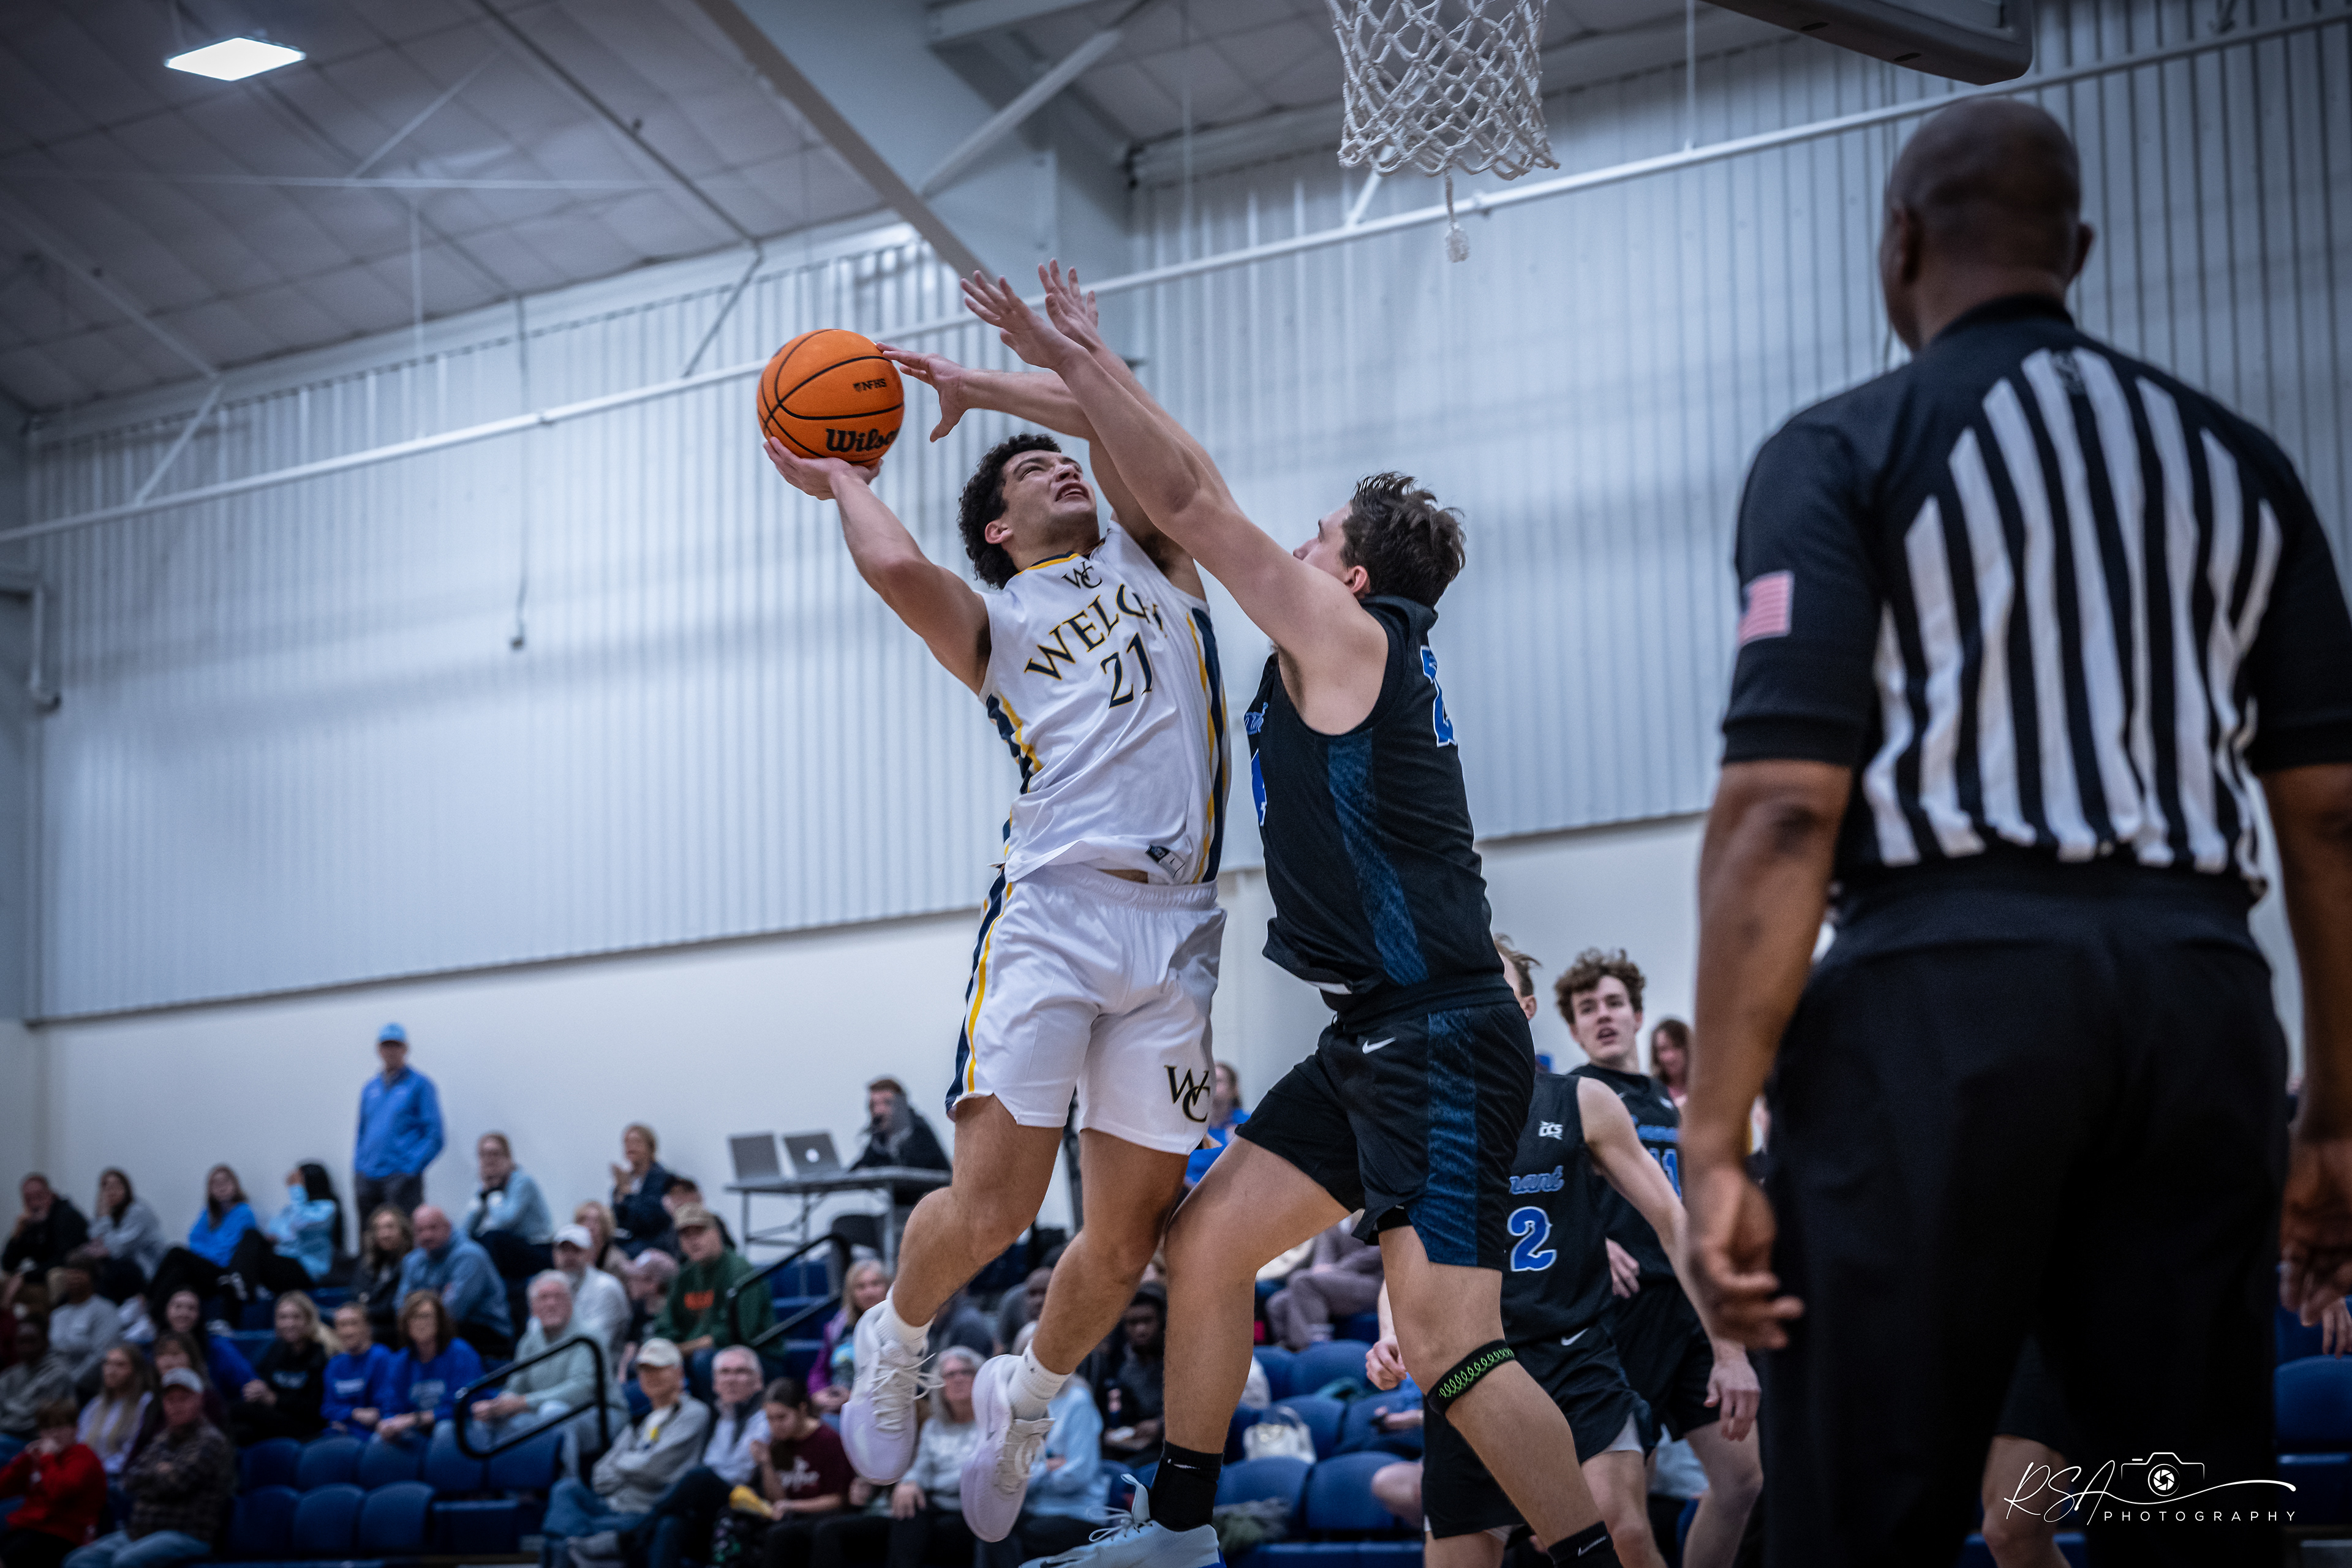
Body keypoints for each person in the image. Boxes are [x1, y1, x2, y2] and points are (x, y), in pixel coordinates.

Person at [1679, 100, 2352, 1568]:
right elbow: (2329, 815)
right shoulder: (2235, 461)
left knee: (1864, 1514)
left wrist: (1715, 1137)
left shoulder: (1844, 446)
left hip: (1941, 995)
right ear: (2078, 251)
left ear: (1900, 240)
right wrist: (2339, 1113)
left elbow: (1782, 805)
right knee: (2188, 1506)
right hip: (2195, 996)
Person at [961, 264, 1619, 1567]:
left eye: (1316, 538)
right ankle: (1178, 1532)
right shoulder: (1346, 652)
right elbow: (1180, 475)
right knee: (1205, 1243)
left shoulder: (1354, 637)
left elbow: (1190, 500)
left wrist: (1075, 355)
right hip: (1372, 1033)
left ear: (1353, 574)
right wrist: (1044, 372)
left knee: (1450, 1345)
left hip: (1439, 1035)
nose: (1296, 550)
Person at [769, 305, 1230, 1551]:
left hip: (1180, 931)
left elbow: (1118, 421)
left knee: (1125, 1240)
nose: (1063, 467)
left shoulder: (1159, 555)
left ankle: (1025, 1399)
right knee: (992, 1209)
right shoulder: (995, 622)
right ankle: (897, 1337)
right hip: (1053, 917)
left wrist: (988, 386)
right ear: (997, 529)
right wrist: (844, 477)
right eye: (1035, 471)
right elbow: (896, 571)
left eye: (1064, 460)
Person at [1370, 944, 1762, 1568]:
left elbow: (1674, 1221)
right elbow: (1403, 1260)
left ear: (1525, 1009)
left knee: (1621, 1525)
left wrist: (1730, 1349)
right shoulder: (1416, 1124)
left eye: (1492, 984)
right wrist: (1390, 1332)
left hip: (1574, 1356)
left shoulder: (1582, 1100)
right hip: (1468, 1367)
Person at [1557, 952, 1762, 1565]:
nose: (1603, 1016)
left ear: (1638, 1015)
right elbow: (1542, 1197)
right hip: (1622, 1315)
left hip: (1689, 1306)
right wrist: (1593, 1241)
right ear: (1574, 1029)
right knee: (1626, 1511)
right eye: (1588, 1008)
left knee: (1744, 1482)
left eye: (1614, 1003)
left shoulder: (1670, 1105)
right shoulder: (1573, 1098)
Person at [805, 1346, 983, 1568]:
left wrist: (926, 1484)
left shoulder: (991, 1424)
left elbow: (980, 1473)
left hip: (973, 1510)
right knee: (908, 1507)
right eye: (950, 1374)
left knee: (917, 1514)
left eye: (966, 1372)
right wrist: (909, 1483)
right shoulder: (934, 1426)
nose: (958, 1379)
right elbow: (920, 1468)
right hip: (929, 1506)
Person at [538, 1339, 709, 1568]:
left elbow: (654, 1469)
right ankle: (582, 1544)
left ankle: (578, 1547)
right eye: (645, 1370)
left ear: (679, 1373)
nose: (650, 1376)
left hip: (645, 1512)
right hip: (610, 1507)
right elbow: (599, 1476)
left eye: (659, 1368)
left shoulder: (694, 1413)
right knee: (566, 1489)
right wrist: (635, 1466)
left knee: (556, 1542)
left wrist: (622, 1465)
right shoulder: (640, 1421)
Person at [593, 1348, 769, 1568]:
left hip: (749, 1504)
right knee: (670, 1525)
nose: (731, 1379)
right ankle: (632, 1538)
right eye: (724, 1373)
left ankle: (631, 1535)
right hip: (710, 1511)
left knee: (699, 1477)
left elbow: (745, 1473)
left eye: (741, 1372)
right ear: (715, 1384)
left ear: (759, 1381)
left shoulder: (768, 1418)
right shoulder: (714, 1416)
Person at [63, 1366, 233, 1568]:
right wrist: (161, 1471)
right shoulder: (162, 1439)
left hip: (186, 1534)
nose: (176, 1405)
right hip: (141, 1532)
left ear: (199, 1400)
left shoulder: (211, 1441)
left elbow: (177, 1483)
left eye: (183, 1399)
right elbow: (130, 1480)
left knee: (125, 1562)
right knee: (78, 1560)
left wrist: (154, 1476)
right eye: (170, 1400)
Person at [473, 1273, 625, 1450]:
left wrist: (523, 1403)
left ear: (571, 1302)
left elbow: (581, 1390)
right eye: (543, 1298)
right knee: (494, 1419)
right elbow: (516, 1387)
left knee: (553, 1412)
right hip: (543, 1411)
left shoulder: (589, 1337)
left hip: (600, 1414)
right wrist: (496, 1406)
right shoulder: (528, 1342)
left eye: (558, 1296)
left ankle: (566, 1469)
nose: (551, 1304)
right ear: (533, 1308)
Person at [997, 1322, 1106, 1564]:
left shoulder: (1077, 1400)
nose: (1038, 1365)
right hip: (1033, 1507)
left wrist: (1030, 1474)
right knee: (991, 1528)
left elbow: (1076, 1476)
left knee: (1010, 1535)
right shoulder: (1018, 1404)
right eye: (1030, 1357)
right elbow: (1008, 1475)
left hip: (1078, 1512)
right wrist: (1046, 1467)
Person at [753, 1376, 854, 1568]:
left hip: (824, 1519)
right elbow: (776, 1501)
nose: (776, 1425)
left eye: (782, 1417)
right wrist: (766, 1464)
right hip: (791, 1518)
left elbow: (838, 1500)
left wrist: (792, 1506)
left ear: (802, 1409)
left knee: (780, 1536)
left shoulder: (828, 1440)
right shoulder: (777, 1443)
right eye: (770, 1419)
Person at [650, 1208, 772, 1362]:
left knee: (703, 1360)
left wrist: (682, 1350)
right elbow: (665, 1326)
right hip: (692, 1353)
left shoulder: (740, 1270)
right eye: (686, 1235)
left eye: (699, 1232)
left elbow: (736, 1334)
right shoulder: (683, 1277)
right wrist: (663, 1347)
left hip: (754, 1356)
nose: (693, 1240)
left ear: (716, 1233)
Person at [396, 1205, 514, 1359]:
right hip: (441, 1329)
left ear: (448, 1227)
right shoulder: (411, 1261)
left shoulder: (470, 1256)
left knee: (430, 1332)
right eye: (420, 1230)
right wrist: (440, 1298)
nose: (427, 1235)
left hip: (485, 1330)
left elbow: (454, 1311)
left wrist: (421, 1304)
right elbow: (400, 1307)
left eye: (433, 1228)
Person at [0, 1401, 106, 1568]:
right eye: (47, 1429)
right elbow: (3, 1487)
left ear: (75, 1429)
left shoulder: (84, 1458)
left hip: (64, 1533)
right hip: (30, 1526)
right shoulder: (39, 1457)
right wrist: (23, 1460)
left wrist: (47, 1459)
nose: (54, 1434)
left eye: (60, 1427)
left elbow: (60, 1491)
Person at [355, 1023, 444, 1221]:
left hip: (401, 1177)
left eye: (396, 1045)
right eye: (386, 1045)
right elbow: (362, 1132)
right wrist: (359, 1168)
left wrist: (410, 1168)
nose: (391, 1051)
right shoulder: (370, 1088)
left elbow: (434, 1135)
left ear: (405, 1049)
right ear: (379, 1049)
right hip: (368, 1177)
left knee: (403, 1232)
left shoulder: (420, 1085)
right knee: (371, 1234)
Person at [375, 1291, 486, 1444]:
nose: (420, 1323)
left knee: (444, 1431)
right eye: (414, 1317)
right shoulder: (399, 1361)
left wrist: (416, 1419)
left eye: (426, 1316)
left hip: (460, 1427)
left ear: (440, 1321)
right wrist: (388, 1424)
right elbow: (391, 1406)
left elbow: (463, 1405)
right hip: (416, 1432)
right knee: (379, 1441)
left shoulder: (461, 1352)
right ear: (406, 1324)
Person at [142, 1167, 253, 1318]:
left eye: (225, 1182)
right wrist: (205, 1252)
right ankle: (152, 1317)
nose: (221, 1187)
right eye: (215, 1183)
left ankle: (144, 1299)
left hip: (225, 1273)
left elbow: (226, 1250)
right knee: (178, 1272)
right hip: (205, 1269)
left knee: (176, 1252)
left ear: (235, 1185)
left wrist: (204, 1251)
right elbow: (194, 1239)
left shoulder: (244, 1212)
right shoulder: (209, 1213)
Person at [221, 1165, 342, 1303]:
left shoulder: (327, 1208)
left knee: (256, 1253)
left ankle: (243, 1287)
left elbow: (301, 1222)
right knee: (251, 1235)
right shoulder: (292, 1209)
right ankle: (238, 1282)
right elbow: (276, 1230)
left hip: (308, 1271)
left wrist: (296, 1189)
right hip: (285, 1262)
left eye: (301, 1181)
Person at [227, 1292, 334, 1444]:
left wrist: (274, 1399)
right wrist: (255, 1390)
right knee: (241, 1432)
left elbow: (316, 1409)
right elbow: (262, 1381)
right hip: (274, 1419)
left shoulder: (321, 1355)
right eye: (283, 1317)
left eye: (296, 1317)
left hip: (307, 1425)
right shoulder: (276, 1349)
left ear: (309, 1320)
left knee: (244, 1410)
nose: (289, 1324)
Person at [1261, 1221, 1382, 1352]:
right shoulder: (1333, 1219)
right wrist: (1320, 1270)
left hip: (1371, 1281)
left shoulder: (1375, 1213)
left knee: (1302, 1281)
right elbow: (1324, 1254)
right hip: (1336, 1280)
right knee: (1278, 1302)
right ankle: (1289, 1351)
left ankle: (1318, 1345)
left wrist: (1336, 1269)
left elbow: (1380, 1251)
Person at [466, 1133, 556, 1287]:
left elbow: (505, 1222)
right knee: (470, 1245)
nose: (489, 1160)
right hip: (511, 1251)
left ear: (508, 1159)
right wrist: (482, 1196)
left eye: (495, 1154)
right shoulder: (485, 1186)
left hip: (537, 1249)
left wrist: (494, 1192)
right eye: (484, 1155)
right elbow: (465, 1230)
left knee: (493, 1239)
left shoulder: (522, 1182)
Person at [808, 1262, 889, 1415]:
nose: (869, 1292)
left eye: (875, 1284)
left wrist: (854, 1396)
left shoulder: (898, 1326)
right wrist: (819, 1393)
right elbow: (819, 1371)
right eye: (861, 1287)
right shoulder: (837, 1327)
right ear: (851, 1293)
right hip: (839, 1407)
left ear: (888, 1286)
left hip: (882, 1406)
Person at [1095, 1286, 1164, 1463]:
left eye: (1147, 1321)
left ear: (1162, 1321)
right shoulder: (1122, 1366)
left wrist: (1160, 1425)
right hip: (1137, 1446)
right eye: (1133, 1323)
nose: (1141, 1330)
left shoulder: (1180, 1362)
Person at [4, 1180, 89, 1313]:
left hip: (72, 1278)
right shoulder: (32, 1222)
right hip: (41, 1280)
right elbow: (8, 1265)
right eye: (29, 1199)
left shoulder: (66, 1215)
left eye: (39, 1197)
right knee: (4, 1282)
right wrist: (18, 1233)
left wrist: (26, 1276)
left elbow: (63, 1258)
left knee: (55, 1276)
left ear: (51, 1195)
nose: (34, 1204)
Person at [153, 1293, 252, 1408]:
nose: (184, 1313)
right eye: (178, 1307)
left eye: (191, 1308)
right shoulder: (150, 1397)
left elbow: (248, 1382)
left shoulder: (219, 1348)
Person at [127, 1340, 222, 1458]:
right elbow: (139, 1452)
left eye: (175, 1353)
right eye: (162, 1354)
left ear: (199, 1399)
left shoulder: (210, 1404)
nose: (168, 1360)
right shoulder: (154, 1404)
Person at [554, 1225, 633, 1367]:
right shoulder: (550, 1288)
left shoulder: (607, 1287)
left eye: (576, 1250)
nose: (569, 1257)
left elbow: (593, 1343)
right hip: (561, 1364)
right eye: (563, 1250)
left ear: (591, 1254)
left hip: (602, 1368)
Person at [81, 1174, 165, 1304]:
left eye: (116, 1186)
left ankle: (105, 1310)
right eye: (106, 1188)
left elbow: (117, 1251)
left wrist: (105, 1219)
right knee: (79, 1264)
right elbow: (94, 1240)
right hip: (123, 1267)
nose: (111, 1192)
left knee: (107, 1271)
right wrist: (102, 1214)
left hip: (147, 1270)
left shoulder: (138, 1211)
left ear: (127, 1188)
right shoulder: (111, 1212)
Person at [321, 1301, 399, 1436]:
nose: (348, 1331)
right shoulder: (334, 1364)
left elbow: (380, 1412)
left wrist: (346, 1419)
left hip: (375, 1435)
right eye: (342, 1325)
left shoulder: (381, 1357)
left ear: (367, 1327)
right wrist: (354, 1413)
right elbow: (327, 1409)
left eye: (354, 1323)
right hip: (339, 1433)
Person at [76, 1346, 153, 1477]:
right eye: (107, 1363)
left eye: (120, 1365)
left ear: (135, 1370)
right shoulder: (96, 1404)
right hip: (89, 1473)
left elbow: (133, 1450)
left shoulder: (145, 1403)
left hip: (120, 1475)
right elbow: (81, 1440)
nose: (111, 1371)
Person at [0, 1319, 76, 1450]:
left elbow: (37, 1420)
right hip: (6, 1435)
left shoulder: (58, 1375)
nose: (26, 1347)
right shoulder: (9, 1375)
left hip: (35, 1440)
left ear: (46, 1343)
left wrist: (6, 1424)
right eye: (22, 1342)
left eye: (32, 1341)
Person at [42, 1260, 114, 1388]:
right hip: (56, 1384)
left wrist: (72, 1381)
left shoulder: (105, 1310)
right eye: (70, 1273)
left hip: (89, 1386)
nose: (74, 1278)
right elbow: (50, 1353)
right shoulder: (57, 1315)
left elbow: (101, 1354)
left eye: (80, 1273)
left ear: (92, 1277)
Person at [609, 1126, 674, 1259]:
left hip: (654, 1244)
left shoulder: (661, 1178)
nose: (630, 1147)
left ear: (650, 1147)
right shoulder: (624, 1180)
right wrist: (620, 1195)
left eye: (636, 1142)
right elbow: (616, 1220)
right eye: (627, 1142)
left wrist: (627, 1193)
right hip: (626, 1242)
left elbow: (649, 1221)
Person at [353, 1205, 413, 1344]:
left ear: (403, 1230)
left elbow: (391, 1308)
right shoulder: (368, 1262)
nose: (384, 1234)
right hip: (368, 1324)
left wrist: (367, 1306)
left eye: (390, 1227)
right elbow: (356, 1293)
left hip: (394, 1329)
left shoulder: (411, 1262)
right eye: (378, 1229)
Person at [1182, 1064, 1246, 1189]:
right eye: (1206, 1081)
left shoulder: (1247, 1124)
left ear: (1234, 1089)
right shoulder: (1189, 1127)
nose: (1210, 1085)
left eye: (1218, 1081)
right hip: (1187, 1194)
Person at [992, 1267, 1054, 1359]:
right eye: (1033, 1293)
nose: (1038, 1301)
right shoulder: (1012, 1301)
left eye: (1045, 1292)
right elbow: (999, 1348)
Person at [1645, 1022, 1691, 1111]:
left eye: (1677, 1047)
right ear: (1655, 1055)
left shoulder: (1705, 1089)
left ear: (1688, 1048)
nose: (1671, 1056)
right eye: (1663, 1049)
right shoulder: (1648, 1093)